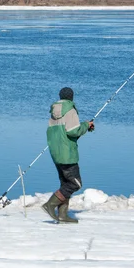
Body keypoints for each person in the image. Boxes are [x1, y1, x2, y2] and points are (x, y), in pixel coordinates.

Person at [42, 87, 94, 223]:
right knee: (75, 184)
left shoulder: (54, 112)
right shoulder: (70, 110)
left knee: (65, 183)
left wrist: (85, 126)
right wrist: (86, 126)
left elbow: (60, 132)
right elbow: (73, 131)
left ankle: (62, 215)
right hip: (67, 154)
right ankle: (50, 204)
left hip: (56, 153)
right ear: (71, 97)